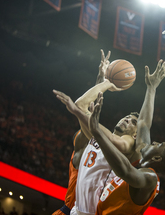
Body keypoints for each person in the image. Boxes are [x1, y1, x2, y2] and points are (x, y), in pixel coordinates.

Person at [86, 62, 165, 214]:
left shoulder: (150, 178)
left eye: (159, 144)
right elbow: (144, 123)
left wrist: (97, 133)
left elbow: (125, 171)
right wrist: (151, 88)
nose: (155, 142)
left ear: (157, 158)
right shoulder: (141, 156)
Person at [52, 49, 112, 215]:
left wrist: (101, 78)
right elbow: (87, 113)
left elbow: (90, 115)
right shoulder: (82, 145)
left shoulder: (102, 150)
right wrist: (102, 80)